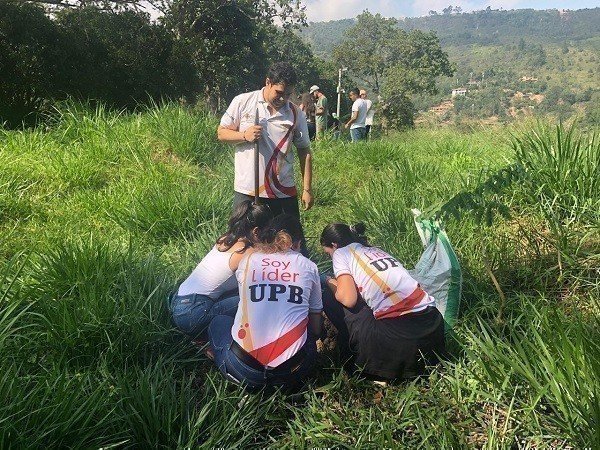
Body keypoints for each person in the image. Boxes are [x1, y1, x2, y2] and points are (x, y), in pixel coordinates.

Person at [208, 214, 323, 392]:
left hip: (243, 369)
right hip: (292, 372)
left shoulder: (248, 261)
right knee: (304, 327)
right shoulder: (308, 265)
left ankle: (235, 377)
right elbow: (315, 327)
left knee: (218, 322)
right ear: (298, 243)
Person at [320, 222, 446, 381]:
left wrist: (328, 280)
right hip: (433, 327)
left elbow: (348, 299)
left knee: (331, 296)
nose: (329, 256)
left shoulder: (341, 253)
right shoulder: (375, 250)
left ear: (334, 245)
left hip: (399, 338)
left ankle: (355, 357)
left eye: (327, 253)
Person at [217, 62, 314, 218]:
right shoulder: (243, 102)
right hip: (247, 190)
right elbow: (221, 133)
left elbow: (305, 152)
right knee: (244, 240)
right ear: (268, 82)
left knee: (288, 241)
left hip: (283, 191)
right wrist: (244, 135)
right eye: (279, 92)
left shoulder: (296, 113)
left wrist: (307, 189)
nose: (283, 98)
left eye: (288, 94)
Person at [169, 201, 273, 338]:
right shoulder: (248, 253)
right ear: (256, 232)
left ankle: (200, 336)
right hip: (194, 313)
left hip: (178, 303)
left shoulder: (226, 239)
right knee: (259, 297)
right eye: (269, 232)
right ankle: (217, 338)